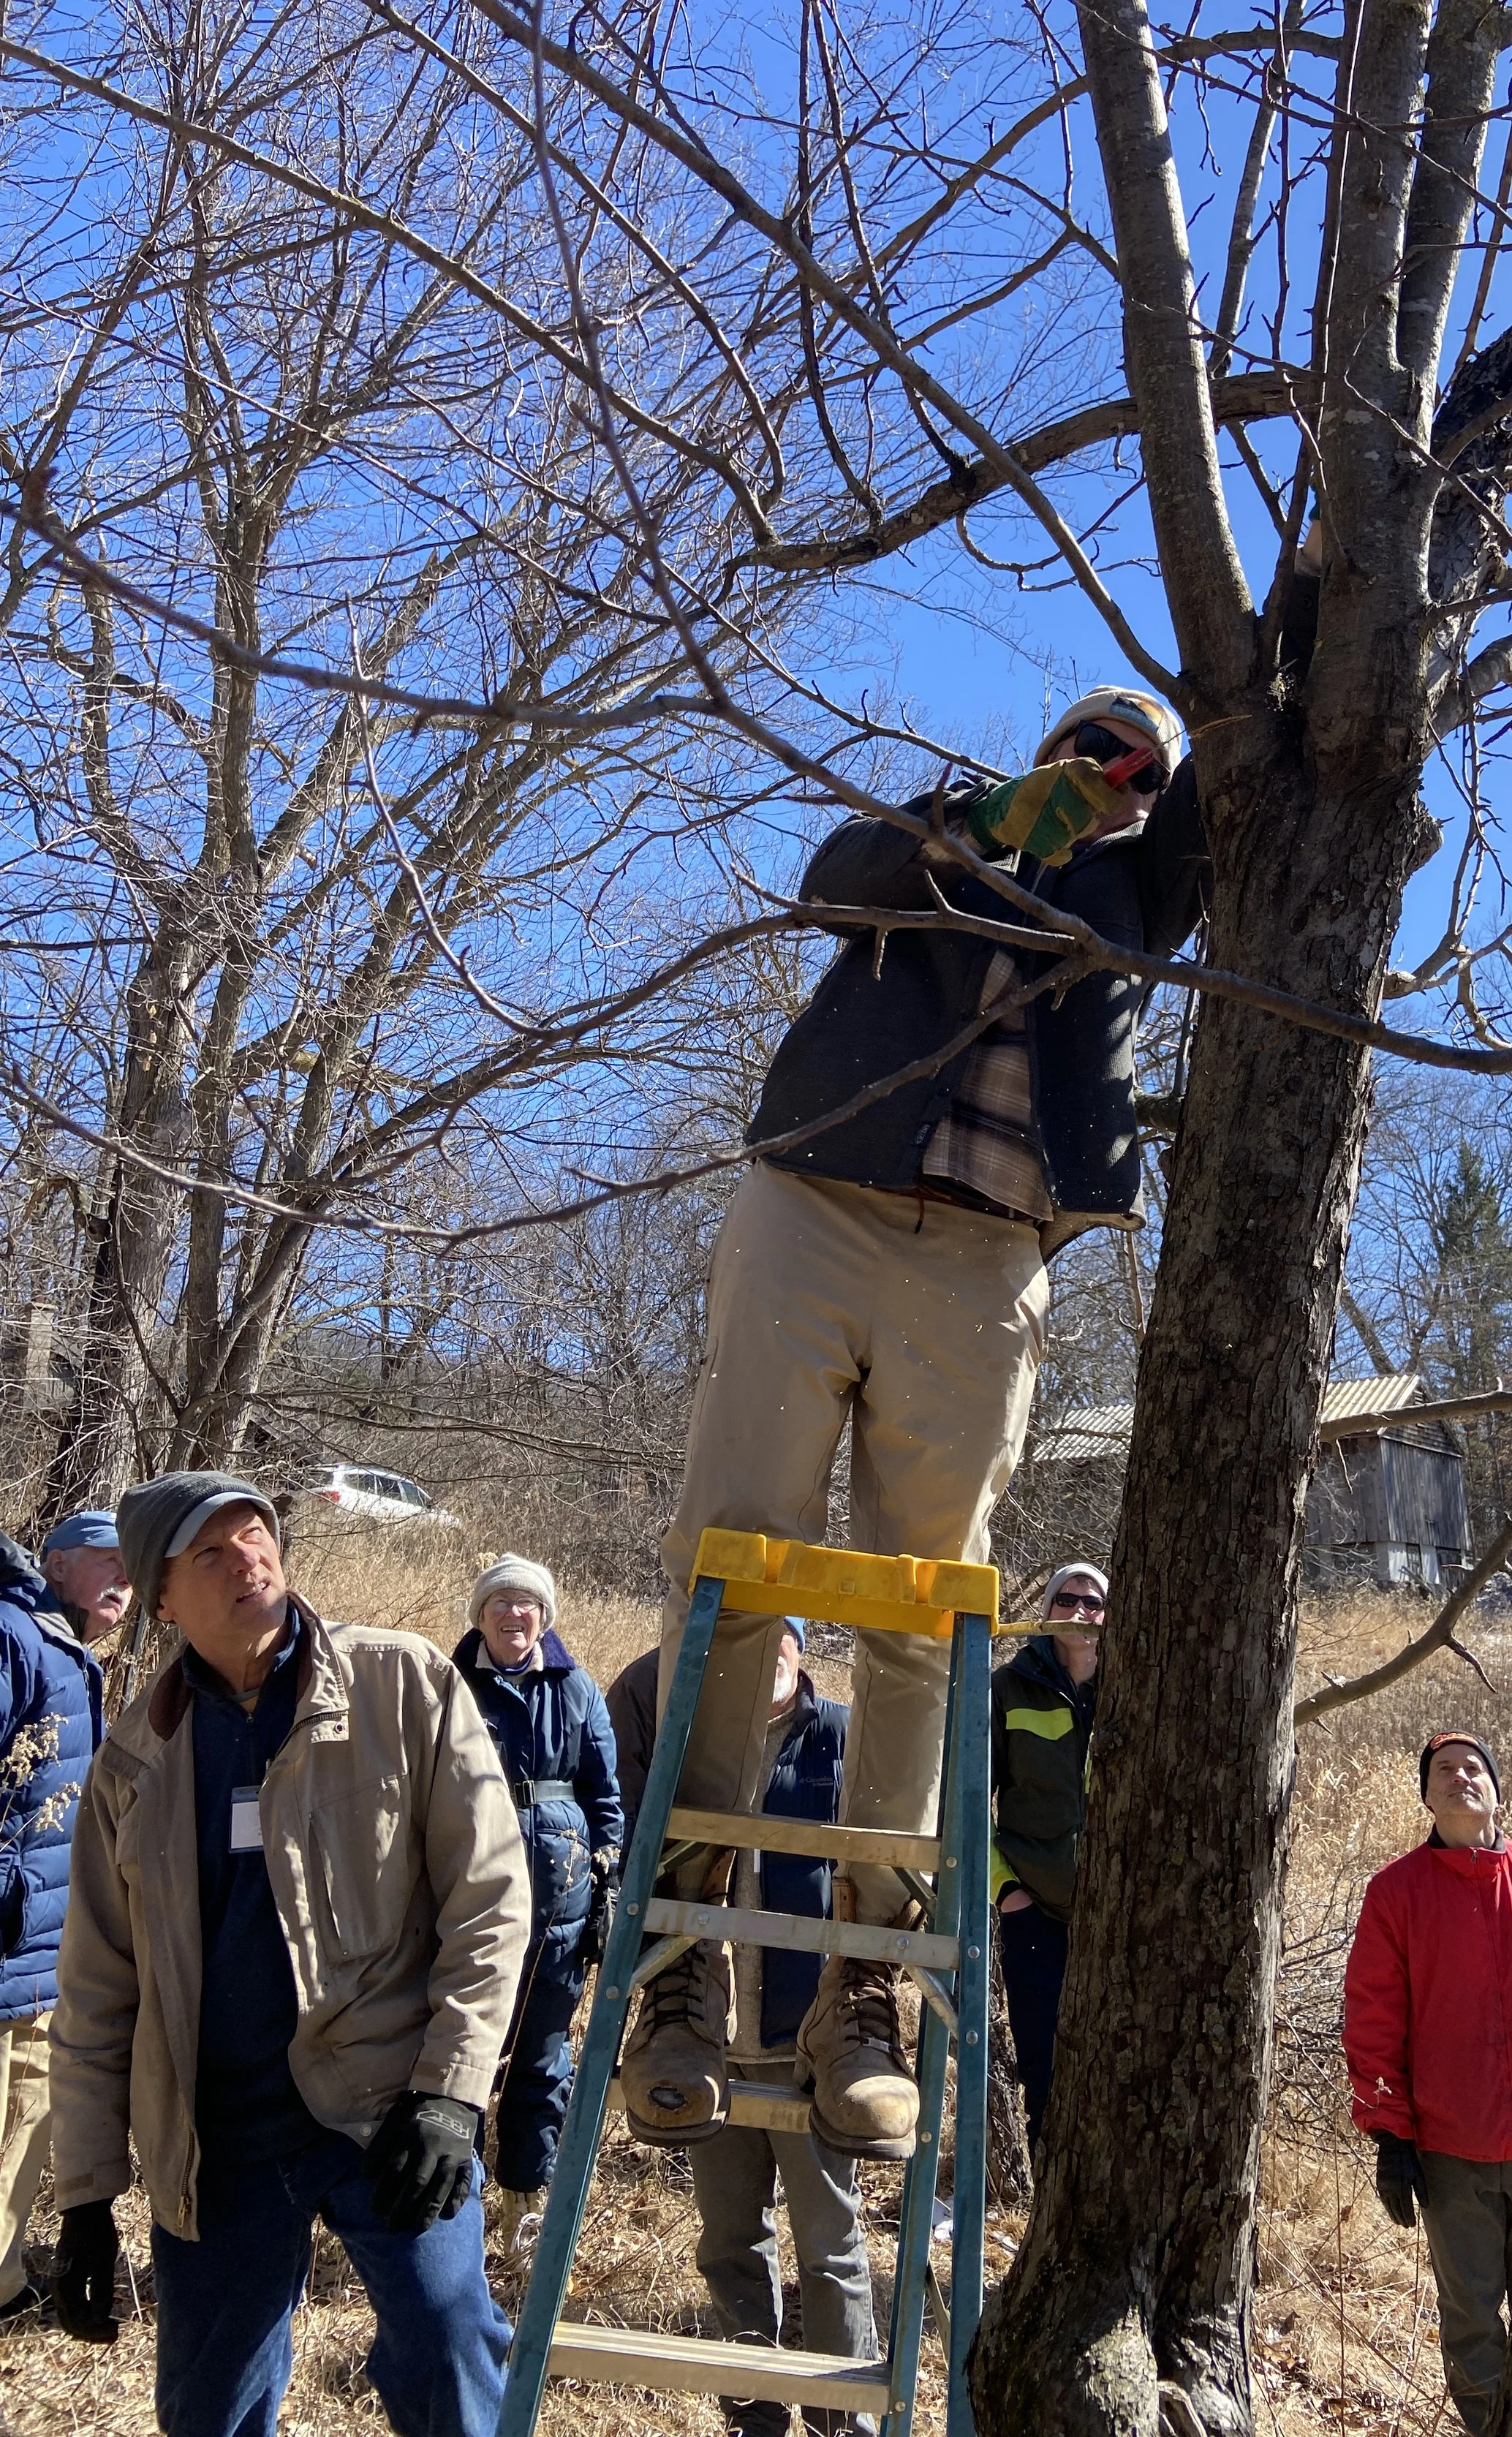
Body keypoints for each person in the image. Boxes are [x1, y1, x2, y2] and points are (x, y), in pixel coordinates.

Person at [625, 685, 1209, 2161]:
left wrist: (1310, 582)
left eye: (1130, 763)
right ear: (1040, 749)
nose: (1104, 775)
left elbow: (1229, 802)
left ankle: (865, 1990)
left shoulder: (1141, 885)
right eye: (1086, 745)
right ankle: (677, 1962)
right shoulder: (946, 829)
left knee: (921, 1609)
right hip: (814, 1200)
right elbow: (835, 878)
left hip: (987, 1254)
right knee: (734, 1565)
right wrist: (990, 824)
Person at [48, 1470, 531, 2437]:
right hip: (218, 2135)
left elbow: (492, 1897)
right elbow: (97, 1989)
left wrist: (451, 2089)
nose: (249, 1561)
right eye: (211, 1552)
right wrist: (90, 2193)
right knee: (208, 2409)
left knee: (449, 2348)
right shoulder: (135, 1756)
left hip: (388, 2105)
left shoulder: (405, 1683)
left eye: (256, 1536)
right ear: (164, 1595)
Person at [612, 1625, 875, 2437]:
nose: (770, 1659)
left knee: (830, 2250)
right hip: (711, 2044)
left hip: (810, 2042)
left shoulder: (840, 1734)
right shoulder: (700, 1742)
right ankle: (752, 2416)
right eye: (755, 1643)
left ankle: (844, 2421)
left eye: (783, 1643)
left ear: (802, 1651)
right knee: (730, 2242)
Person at [1342, 1731, 1512, 2433]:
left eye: (1474, 1768)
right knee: (1470, 2321)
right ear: (1426, 1796)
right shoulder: (1394, 1893)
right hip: (1452, 2151)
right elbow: (1374, 2018)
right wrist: (1389, 2133)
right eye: (1443, 1770)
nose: (1460, 1778)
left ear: (1498, 1789)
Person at [452, 1554, 621, 2254]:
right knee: (463, 2051)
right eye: (501, 1604)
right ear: (481, 1616)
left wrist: (609, 1886)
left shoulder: (577, 1688)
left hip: (562, 1906)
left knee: (542, 2057)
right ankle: (454, 2205)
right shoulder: (449, 1685)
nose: (514, 1615)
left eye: (527, 1605)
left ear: (544, 1618)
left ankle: (523, 2203)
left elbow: (607, 1797)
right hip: (469, 1906)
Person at [0, 1524, 105, 2323]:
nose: (124, 1585)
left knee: (27, 2109)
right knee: (16, 2108)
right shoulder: (14, 1635)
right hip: (14, 1940)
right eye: (109, 1563)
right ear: (56, 1564)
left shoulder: (57, 1645)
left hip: (37, 1941)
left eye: (135, 1575)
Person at [989, 1561, 1103, 2156]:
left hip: (1115, 1919)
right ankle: (1048, 2200)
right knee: (1045, 2065)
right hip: (1035, 1914)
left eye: (1093, 1602)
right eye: (1067, 1599)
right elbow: (967, 1802)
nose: (1080, 1611)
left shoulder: (1135, 1688)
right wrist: (1007, 1889)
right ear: (1047, 1610)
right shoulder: (1008, 1687)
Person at [38, 1511, 132, 1647]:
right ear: (59, 1567)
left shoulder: (83, 1663)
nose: (127, 1581)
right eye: (112, 1561)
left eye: (132, 1570)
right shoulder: (10, 1638)